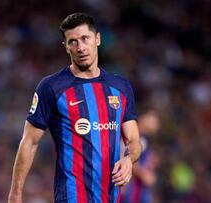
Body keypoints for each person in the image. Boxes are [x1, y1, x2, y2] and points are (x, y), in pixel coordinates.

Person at [8, 12, 142, 203]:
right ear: (65, 47)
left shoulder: (120, 87)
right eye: (73, 42)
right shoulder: (51, 87)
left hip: (111, 197)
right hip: (71, 196)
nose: (80, 47)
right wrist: (15, 194)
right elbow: (29, 142)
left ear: (97, 39)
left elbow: (134, 140)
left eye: (85, 38)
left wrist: (129, 160)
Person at [121, 110, 160, 203]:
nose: (156, 126)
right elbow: (127, 157)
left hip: (135, 187)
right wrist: (144, 175)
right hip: (128, 185)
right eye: (154, 121)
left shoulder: (144, 138)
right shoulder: (131, 134)